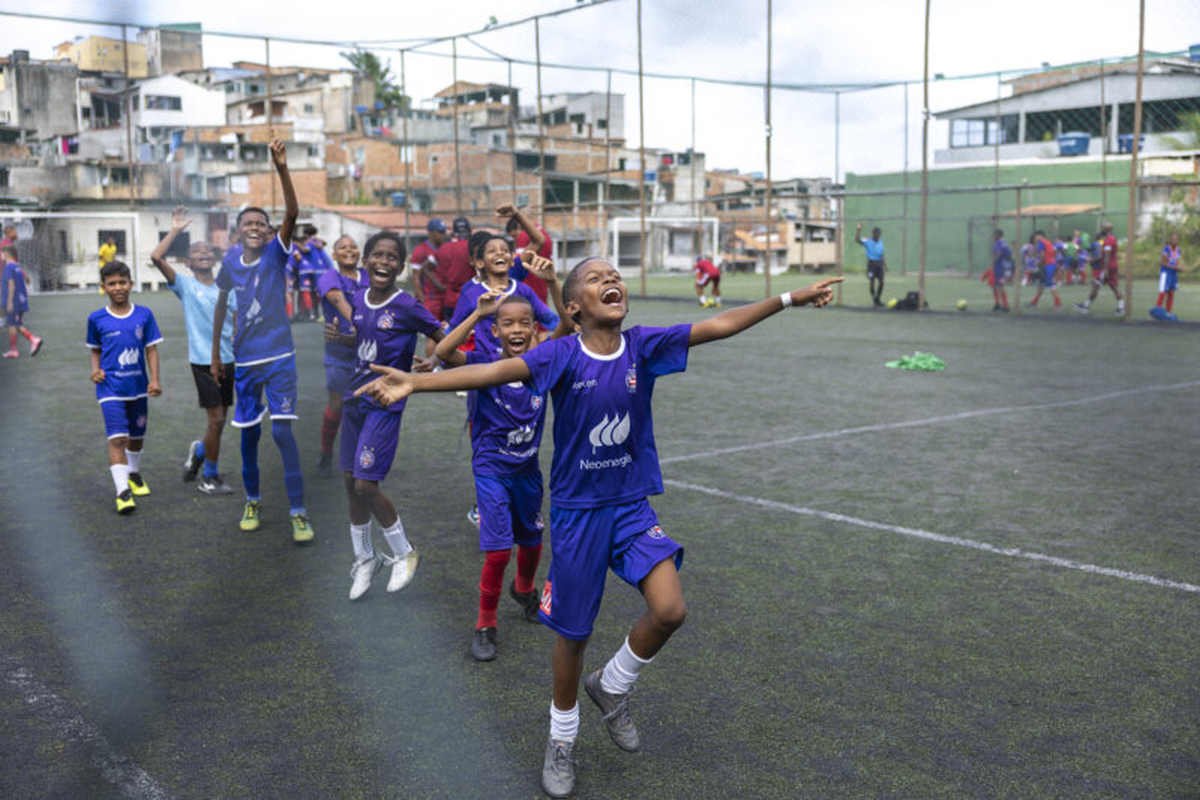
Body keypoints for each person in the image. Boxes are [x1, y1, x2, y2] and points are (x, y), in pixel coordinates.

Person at [355, 259, 841, 799]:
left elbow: (720, 324)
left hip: (631, 505)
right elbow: (491, 373)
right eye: (594, 278)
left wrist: (790, 298)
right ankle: (561, 739)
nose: (610, 280)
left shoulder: (642, 346)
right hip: (577, 514)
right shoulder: (560, 353)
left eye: (614, 274)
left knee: (670, 610)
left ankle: (611, 686)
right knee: (574, 633)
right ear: (572, 308)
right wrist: (415, 384)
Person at [434, 249, 564, 662]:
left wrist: (556, 284)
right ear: (495, 331)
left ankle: (524, 591)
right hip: (491, 469)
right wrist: (477, 313)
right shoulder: (482, 361)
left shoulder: (541, 361)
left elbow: (568, 327)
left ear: (534, 330)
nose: (517, 329)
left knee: (533, 539)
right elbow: (442, 353)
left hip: (527, 468)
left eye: (525, 323)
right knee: (497, 549)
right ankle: (485, 624)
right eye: (507, 323)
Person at [328, 231, 444, 600]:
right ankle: (365, 559)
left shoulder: (407, 305)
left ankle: (403, 552)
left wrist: (434, 360)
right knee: (349, 483)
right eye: (376, 255)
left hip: (385, 404)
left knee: (366, 484)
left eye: (392, 257)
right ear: (365, 261)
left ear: (401, 266)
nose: (383, 262)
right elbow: (366, 341)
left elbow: (440, 332)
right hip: (354, 400)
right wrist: (343, 339)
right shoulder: (357, 298)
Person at [211, 139, 315, 544]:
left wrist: (282, 168)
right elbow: (222, 301)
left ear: (270, 233)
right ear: (238, 232)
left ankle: (298, 511)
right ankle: (252, 500)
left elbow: (292, 211)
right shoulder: (230, 264)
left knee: (283, 434)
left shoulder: (276, 255)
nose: (254, 228)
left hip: (280, 358)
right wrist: (216, 354)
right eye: (248, 224)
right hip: (246, 360)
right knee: (249, 435)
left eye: (261, 224)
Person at [149, 208, 236, 495]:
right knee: (217, 419)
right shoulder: (185, 286)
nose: (203, 253)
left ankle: (200, 451)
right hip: (202, 361)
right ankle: (210, 477)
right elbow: (156, 258)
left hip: (229, 360)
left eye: (207, 251)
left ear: (214, 258)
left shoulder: (228, 288)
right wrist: (175, 230)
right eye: (196, 251)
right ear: (188, 261)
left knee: (220, 421)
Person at [87, 261, 162, 514]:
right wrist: (95, 370)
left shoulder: (144, 315)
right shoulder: (96, 319)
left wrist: (154, 380)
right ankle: (122, 492)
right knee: (118, 438)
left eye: (122, 282)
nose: (118, 287)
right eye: (112, 284)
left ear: (131, 284)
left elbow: (151, 349)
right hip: (110, 389)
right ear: (104, 288)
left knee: (136, 439)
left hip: (138, 387)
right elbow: (95, 350)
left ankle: (134, 473)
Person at [449, 232, 560, 358]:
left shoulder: (524, 290)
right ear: (480, 263)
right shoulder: (471, 294)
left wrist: (553, 282)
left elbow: (552, 320)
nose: (499, 253)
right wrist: (435, 360)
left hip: (520, 359)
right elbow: (453, 330)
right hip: (486, 361)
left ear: (513, 260)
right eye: (492, 251)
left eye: (504, 250)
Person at [315, 235, 368, 476]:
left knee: (365, 405)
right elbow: (336, 298)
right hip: (339, 353)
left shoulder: (369, 277)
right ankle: (326, 452)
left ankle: (360, 455)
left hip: (367, 354)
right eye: (342, 247)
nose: (349, 250)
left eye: (353, 246)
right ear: (334, 255)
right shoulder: (329, 277)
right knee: (337, 405)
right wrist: (358, 323)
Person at [501, 203, 551, 302]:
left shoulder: (524, 236)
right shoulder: (545, 234)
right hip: (542, 284)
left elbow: (517, 262)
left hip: (528, 287)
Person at [2, 246, 44, 357]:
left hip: (13, 301)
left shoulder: (8, 267)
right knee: (16, 324)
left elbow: (11, 284)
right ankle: (30, 341)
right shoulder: (17, 266)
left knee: (12, 324)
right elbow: (27, 279)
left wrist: (10, 301)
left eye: (1, 253)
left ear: (6, 254)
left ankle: (17, 348)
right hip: (21, 300)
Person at [433, 217, 477, 323]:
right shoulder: (474, 247)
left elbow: (427, 268)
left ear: (453, 232)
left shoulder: (444, 248)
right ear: (470, 231)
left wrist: (440, 286)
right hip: (472, 298)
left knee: (452, 335)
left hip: (450, 299)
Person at [1075, 223, 1125, 315]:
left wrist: (1105, 269)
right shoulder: (1113, 238)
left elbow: (1107, 255)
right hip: (1113, 265)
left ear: (1105, 229)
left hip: (1108, 267)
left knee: (1096, 285)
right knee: (1113, 286)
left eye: (1102, 227)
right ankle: (1121, 307)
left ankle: (1086, 306)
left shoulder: (1108, 241)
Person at [292, 224, 331, 322]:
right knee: (317, 292)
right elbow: (323, 243)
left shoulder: (309, 243)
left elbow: (305, 249)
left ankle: (316, 313)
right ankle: (318, 313)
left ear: (306, 234)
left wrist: (295, 243)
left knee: (315, 292)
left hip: (316, 270)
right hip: (323, 269)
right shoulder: (318, 241)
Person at [411, 218, 448, 314]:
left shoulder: (446, 248)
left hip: (445, 297)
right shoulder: (421, 250)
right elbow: (416, 277)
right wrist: (421, 298)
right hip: (429, 298)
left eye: (444, 232)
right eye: (440, 232)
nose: (443, 235)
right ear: (431, 233)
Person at [1151, 232, 1183, 321]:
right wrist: (1175, 267)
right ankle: (1157, 311)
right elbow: (1163, 262)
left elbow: (1176, 262)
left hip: (1173, 274)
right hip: (1165, 273)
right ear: (1170, 240)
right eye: (1173, 239)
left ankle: (1168, 312)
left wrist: (1179, 268)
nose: (1175, 241)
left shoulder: (1178, 250)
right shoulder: (1166, 249)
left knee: (1171, 293)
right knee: (1162, 292)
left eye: (1176, 239)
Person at [1028, 230, 1062, 310]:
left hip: (1048, 265)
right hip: (1051, 264)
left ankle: (1058, 303)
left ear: (1040, 236)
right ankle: (1034, 302)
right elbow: (1053, 253)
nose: (1035, 238)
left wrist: (1038, 265)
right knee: (1041, 284)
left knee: (1050, 284)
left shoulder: (1041, 243)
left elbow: (1042, 256)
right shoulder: (1047, 242)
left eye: (1036, 236)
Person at [855, 223, 886, 307]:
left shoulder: (880, 242)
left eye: (879, 234)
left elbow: (882, 254)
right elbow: (857, 240)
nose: (878, 236)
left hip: (879, 264)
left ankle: (878, 299)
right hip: (871, 264)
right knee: (872, 282)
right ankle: (874, 299)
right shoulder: (868, 241)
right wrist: (858, 230)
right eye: (876, 234)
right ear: (873, 234)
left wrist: (884, 265)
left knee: (882, 282)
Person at [988, 230, 1011, 312]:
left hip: (1000, 267)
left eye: (994, 235)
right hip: (1004, 266)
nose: (993, 237)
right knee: (995, 285)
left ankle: (1005, 305)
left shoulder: (998, 243)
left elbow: (998, 253)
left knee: (999, 286)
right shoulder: (1005, 243)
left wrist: (993, 262)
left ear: (998, 235)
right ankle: (997, 304)